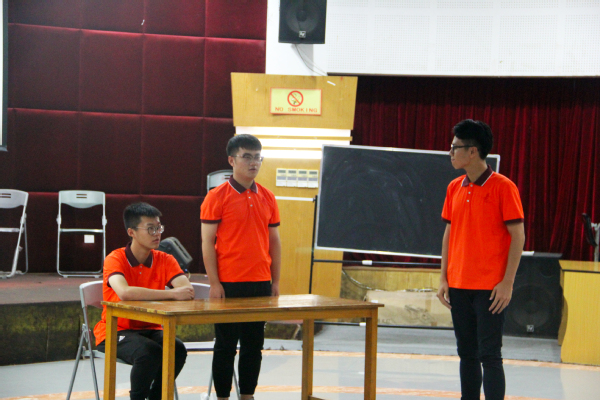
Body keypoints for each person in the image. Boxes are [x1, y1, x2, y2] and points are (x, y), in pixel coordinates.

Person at [437, 119, 525, 400]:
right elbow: (449, 234)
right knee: (467, 354)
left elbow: (518, 236)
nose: (450, 152)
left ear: (472, 151)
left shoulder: (503, 187)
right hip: (458, 285)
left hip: (490, 289)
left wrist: (507, 283)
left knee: (490, 355)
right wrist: (443, 277)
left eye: (455, 147)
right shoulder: (454, 187)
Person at [201, 134, 282, 400]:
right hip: (228, 283)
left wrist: (275, 281)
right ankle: (222, 397)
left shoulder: (268, 197)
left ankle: (247, 395)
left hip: (260, 283)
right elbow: (207, 242)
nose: (253, 162)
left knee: (253, 346)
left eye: (258, 157)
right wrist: (214, 283)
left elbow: (275, 242)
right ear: (231, 160)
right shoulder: (216, 197)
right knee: (225, 346)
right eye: (247, 156)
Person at [93, 202, 195, 400]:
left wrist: (177, 292)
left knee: (177, 349)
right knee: (149, 352)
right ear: (131, 232)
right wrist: (171, 294)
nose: (157, 234)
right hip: (115, 330)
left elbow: (187, 290)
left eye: (159, 228)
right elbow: (125, 293)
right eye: (150, 229)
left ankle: (157, 397)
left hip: (151, 328)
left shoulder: (165, 259)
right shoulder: (115, 258)